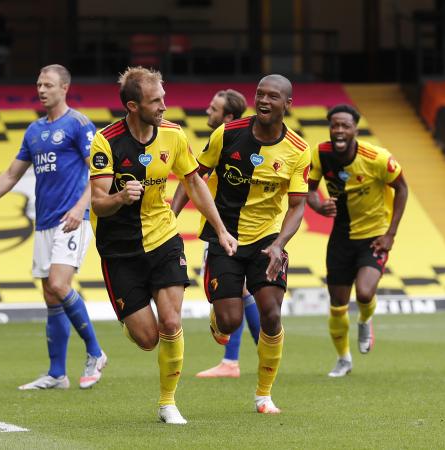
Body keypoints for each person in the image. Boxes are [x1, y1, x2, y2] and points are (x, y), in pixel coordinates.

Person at [89, 66, 237, 424]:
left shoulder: (173, 135)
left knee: (171, 322)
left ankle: (167, 402)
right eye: (156, 101)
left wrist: (219, 229)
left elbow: (195, 182)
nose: (164, 106)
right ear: (132, 106)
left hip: (163, 238)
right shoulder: (106, 141)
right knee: (148, 339)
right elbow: (97, 201)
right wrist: (121, 196)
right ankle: (131, 320)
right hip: (119, 249)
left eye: (163, 98)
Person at [0, 64, 107, 390]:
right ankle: (56, 374)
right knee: (51, 295)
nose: (41, 89)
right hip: (44, 223)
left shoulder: (79, 125)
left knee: (59, 284)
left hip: (71, 220)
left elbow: (97, 172)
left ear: (65, 87)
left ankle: (96, 352)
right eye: (38, 84)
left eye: (48, 84)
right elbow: (11, 176)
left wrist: (82, 208)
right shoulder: (34, 131)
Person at [173, 74, 311, 414]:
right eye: (260, 94)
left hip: (267, 241)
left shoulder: (298, 150)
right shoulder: (227, 134)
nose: (264, 100)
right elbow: (195, 176)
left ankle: (263, 395)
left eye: (273, 96)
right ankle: (218, 317)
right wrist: (170, 216)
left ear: (287, 104)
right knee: (230, 321)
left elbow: (297, 206)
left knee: (271, 313)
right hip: (226, 237)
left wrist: (280, 244)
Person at [307, 104, 408, 377]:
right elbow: (308, 189)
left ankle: (365, 319)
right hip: (340, 238)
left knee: (364, 293)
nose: (339, 130)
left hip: (373, 236)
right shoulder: (320, 153)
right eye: (335, 125)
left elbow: (402, 188)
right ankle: (343, 359)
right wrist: (317, 207)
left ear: (355, 129)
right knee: (337, 305)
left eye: (345, 125)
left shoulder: (377, 157)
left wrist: (390, 234)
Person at [176, 89, 262, 379]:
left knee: (232, 291)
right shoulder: (221, 141)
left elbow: (194, 179)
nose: (206, 112)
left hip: (231, 229)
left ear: (228, 116)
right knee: (240, 292)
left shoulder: (233, 142)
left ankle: (232, 360)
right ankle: (246, 355)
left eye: (213, 109)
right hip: (226, 227)